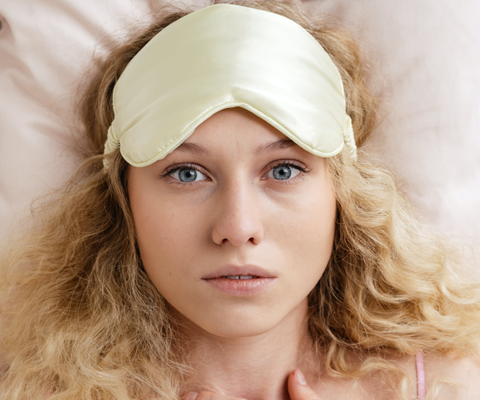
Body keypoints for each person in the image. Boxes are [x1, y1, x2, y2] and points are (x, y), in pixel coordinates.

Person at [1, 1, 479, 399]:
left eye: (283, 170)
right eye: (186, 173)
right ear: (122, 202)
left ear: (343, 194)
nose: (238, 226)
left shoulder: (445, 385)